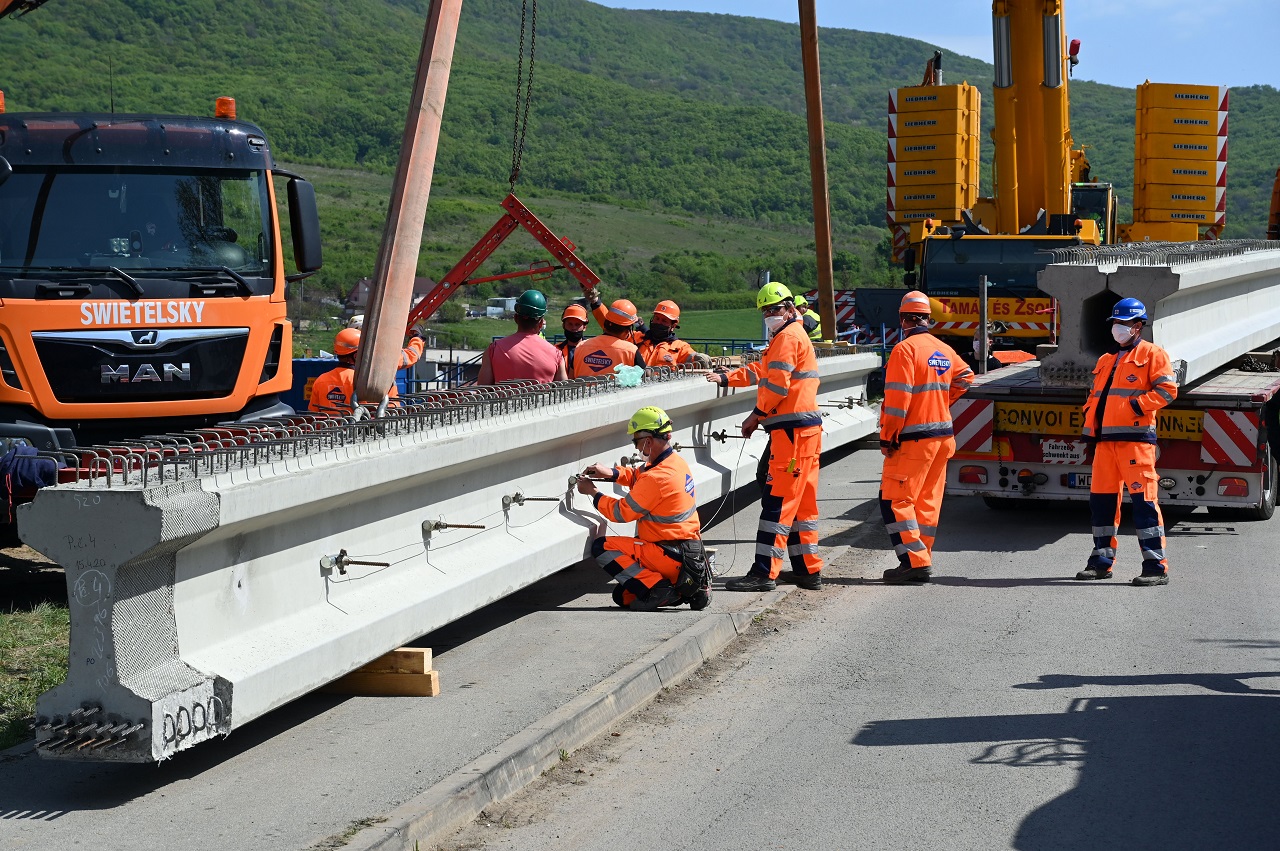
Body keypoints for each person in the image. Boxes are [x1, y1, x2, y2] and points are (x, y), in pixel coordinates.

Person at [706, 282, 824, 591]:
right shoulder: (790, 335)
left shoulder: (787, 337)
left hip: (792, 435)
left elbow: (777, 387)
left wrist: (755, 415)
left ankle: (763, 573)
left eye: (774, 309)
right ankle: (808, 570)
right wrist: (727, 377)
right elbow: (762, 371)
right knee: (801, 505)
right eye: (765, 311)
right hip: (803, 432)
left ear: (790, 307)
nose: (769, 315)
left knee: (778, 502)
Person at [1075, 298, 1177, 586]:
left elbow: (1168, 391)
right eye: (1115, 323)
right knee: (1102, 505)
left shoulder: (1153, 354)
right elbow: (1095, 398)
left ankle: (1156, 567)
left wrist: (1136, 406)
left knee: (1145, 504)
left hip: (1136, 442)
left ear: (1138, 326)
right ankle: (1101, 562)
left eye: (1124, 323)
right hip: (1105, 443)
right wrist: (1090, 422)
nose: (1118, 328)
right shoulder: (1106, 360)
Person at [878, 290, 974, 584]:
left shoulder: (904, 350)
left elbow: (897, 401)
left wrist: (888, 436)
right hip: (943, 438)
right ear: (927, 319)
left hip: (914, 439)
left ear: (903, 319)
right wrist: (941, 402)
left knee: (894, 500)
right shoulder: (942, 348)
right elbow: (966, 377)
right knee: (927, 502)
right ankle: (922, 557)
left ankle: (914, 562)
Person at [576, 406, 711, 611]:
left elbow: (620, 512)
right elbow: (638, 476)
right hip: (686, 554)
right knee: (623, 596)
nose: (636, 447)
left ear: (648, 441)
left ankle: (660, 589)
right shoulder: (674, 463)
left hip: (667, 554)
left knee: (602, 547)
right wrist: (611, 473)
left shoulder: (656, 478)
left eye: (636, 442)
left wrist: (592, 492)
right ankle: (680, 588)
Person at [308, 325, 426, 412]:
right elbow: (411, 355)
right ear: (356, 355)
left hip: (330, 435)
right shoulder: (369, 379)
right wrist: (417, 337)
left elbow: (314, 415)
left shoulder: (321, 381)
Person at [476, 290, 567, 385]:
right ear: (540, 323)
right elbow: (564, 391)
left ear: (516, 318)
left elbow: (482, 390)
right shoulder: (556, 354)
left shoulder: (494, 350)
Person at [572, 299, 644, 379]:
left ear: (606, 323)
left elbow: (570, 378)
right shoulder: (631, 351)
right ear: (627, 330)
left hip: (581, 388)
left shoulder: (580, 347)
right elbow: (645, 378)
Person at [637, 300, 712, 369]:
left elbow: (691, 358)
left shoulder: (680, 347)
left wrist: (698, 358)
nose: (659, 323)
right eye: (657, 318)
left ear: (673, 326)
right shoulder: (638, 339)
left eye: (664, 321)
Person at [555, 303, 590, 373]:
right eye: (570, 324)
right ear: (563, 325)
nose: (573, 328)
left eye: (577, 324)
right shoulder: (556, 350)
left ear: (584, 327)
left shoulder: (592, 349)